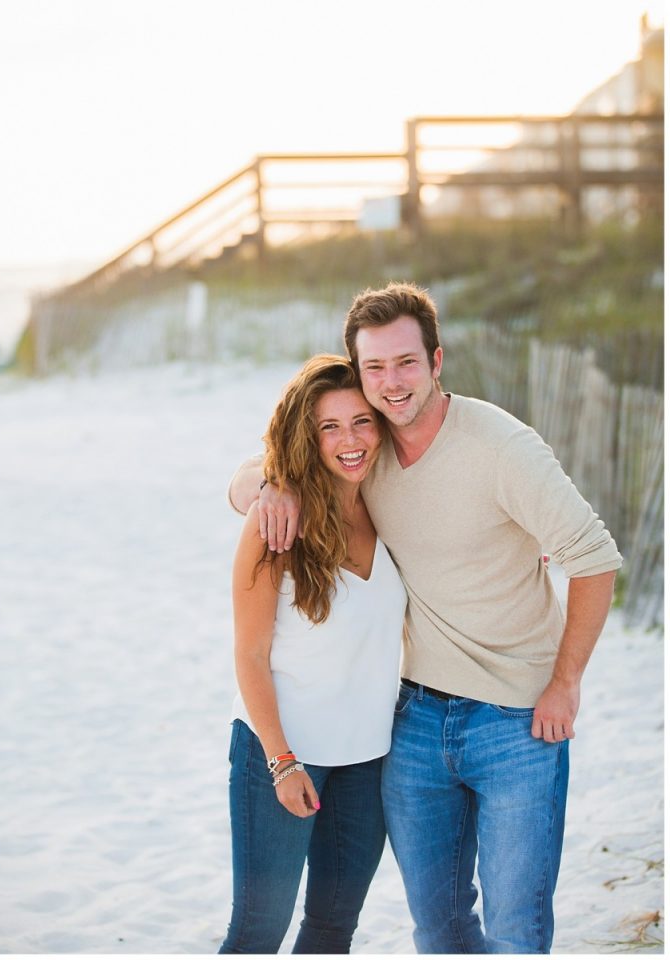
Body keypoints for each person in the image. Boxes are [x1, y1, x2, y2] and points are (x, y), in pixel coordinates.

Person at [229, 283, 622, 955]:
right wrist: (268, 487)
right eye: (374, 368)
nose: (390, 382)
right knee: (436, 930)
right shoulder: (364, 458)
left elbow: (595, 558)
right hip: (410, 725)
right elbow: (269, 469)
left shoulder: (499, 450)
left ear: (436, 361)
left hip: (512, 721)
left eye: (406, 363)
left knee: (515, 930)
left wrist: (566, 682)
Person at [220, 354, 407, 954]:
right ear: (308, 435)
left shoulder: (389, 505)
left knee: (332, 930)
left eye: (362, 421)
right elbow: (248, 654)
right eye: (330, 427)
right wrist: (282, 762)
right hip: (281, 752)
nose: (350, 441)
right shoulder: (278, 520)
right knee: (257, 932)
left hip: (367, 758)